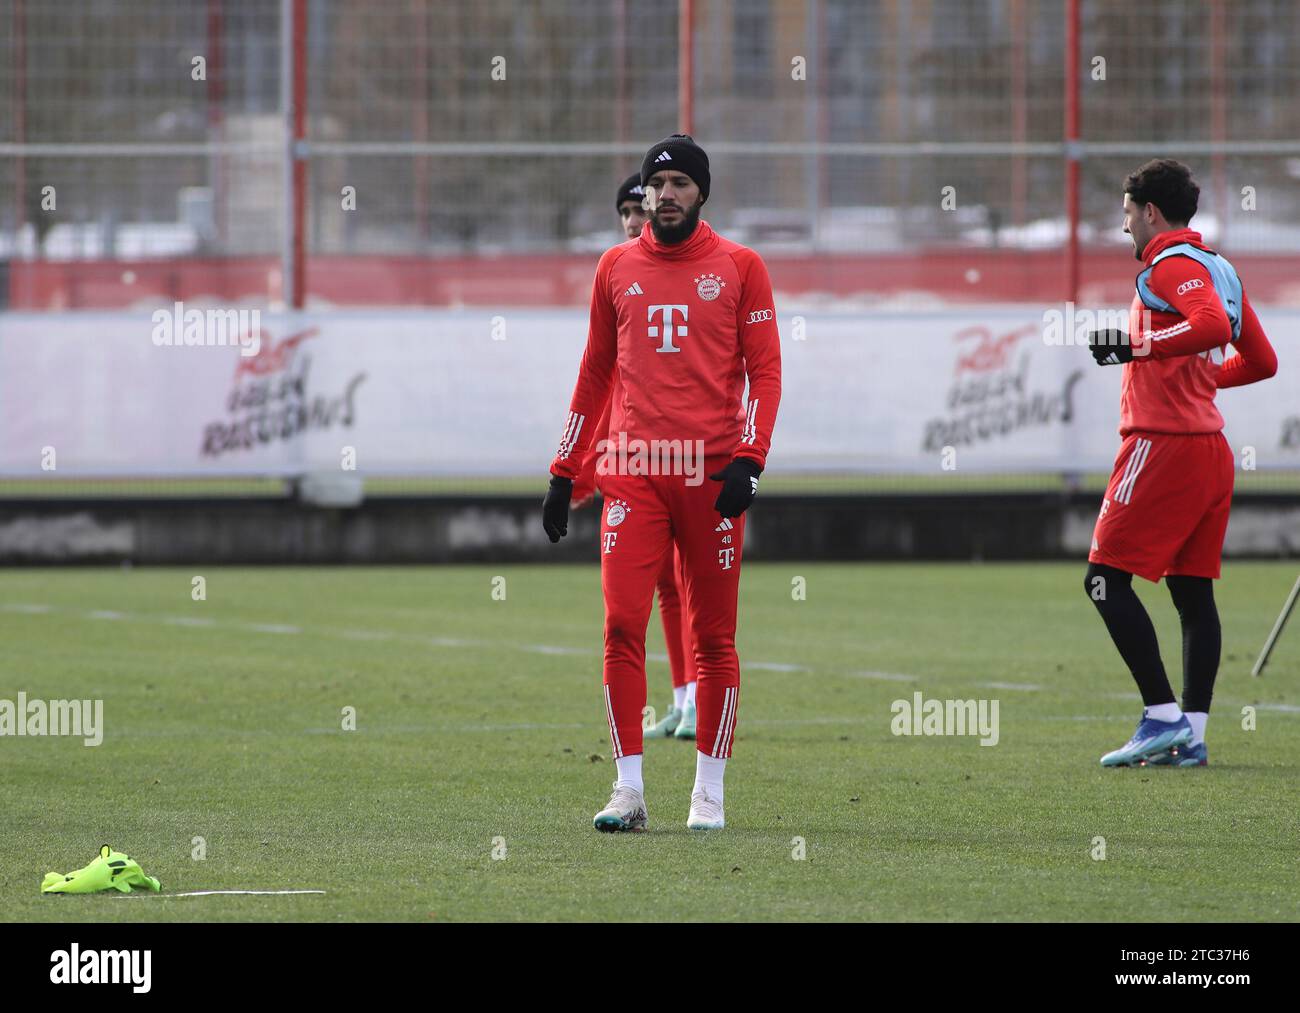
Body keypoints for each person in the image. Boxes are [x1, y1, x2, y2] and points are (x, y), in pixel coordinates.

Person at [543, 133, 782, 830]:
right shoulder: (614, 266)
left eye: (681, 182)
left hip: (710, 477)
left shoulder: (741, 267)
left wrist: (750, 457)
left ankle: (708, 792)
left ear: (701, 193)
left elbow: (765, 372)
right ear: (645, 193)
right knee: (621, 623)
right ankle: (628, 789)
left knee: (713, 638)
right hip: (634, 476)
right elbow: (594, 372)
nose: (667, 193)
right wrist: (564, 469)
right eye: (659, 183)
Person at [1084, 158, 1278, 767]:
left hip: (1160, 444)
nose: (1124, 229)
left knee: (1102, 579)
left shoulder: (1167, 266)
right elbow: (1261, 360)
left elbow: (1210, 324)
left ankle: (1161, 714)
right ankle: (1191, 734)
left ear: (1149, 212)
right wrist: (1201, 377)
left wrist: (1137, 345)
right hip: (1210, 453)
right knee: (1193, 595)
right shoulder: (1220, 268)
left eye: (1126, 215)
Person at [570, 173, 700, 743]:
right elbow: (602, 379)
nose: (632, 218)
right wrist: (584, 463)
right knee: (660, 591)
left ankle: (698, 694)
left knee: (686, 583)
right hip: (632, 459)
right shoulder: (617, 274)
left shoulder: (677, 276)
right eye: (624, 209)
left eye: (638, 205)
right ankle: (682, 696)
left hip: (682, 459)